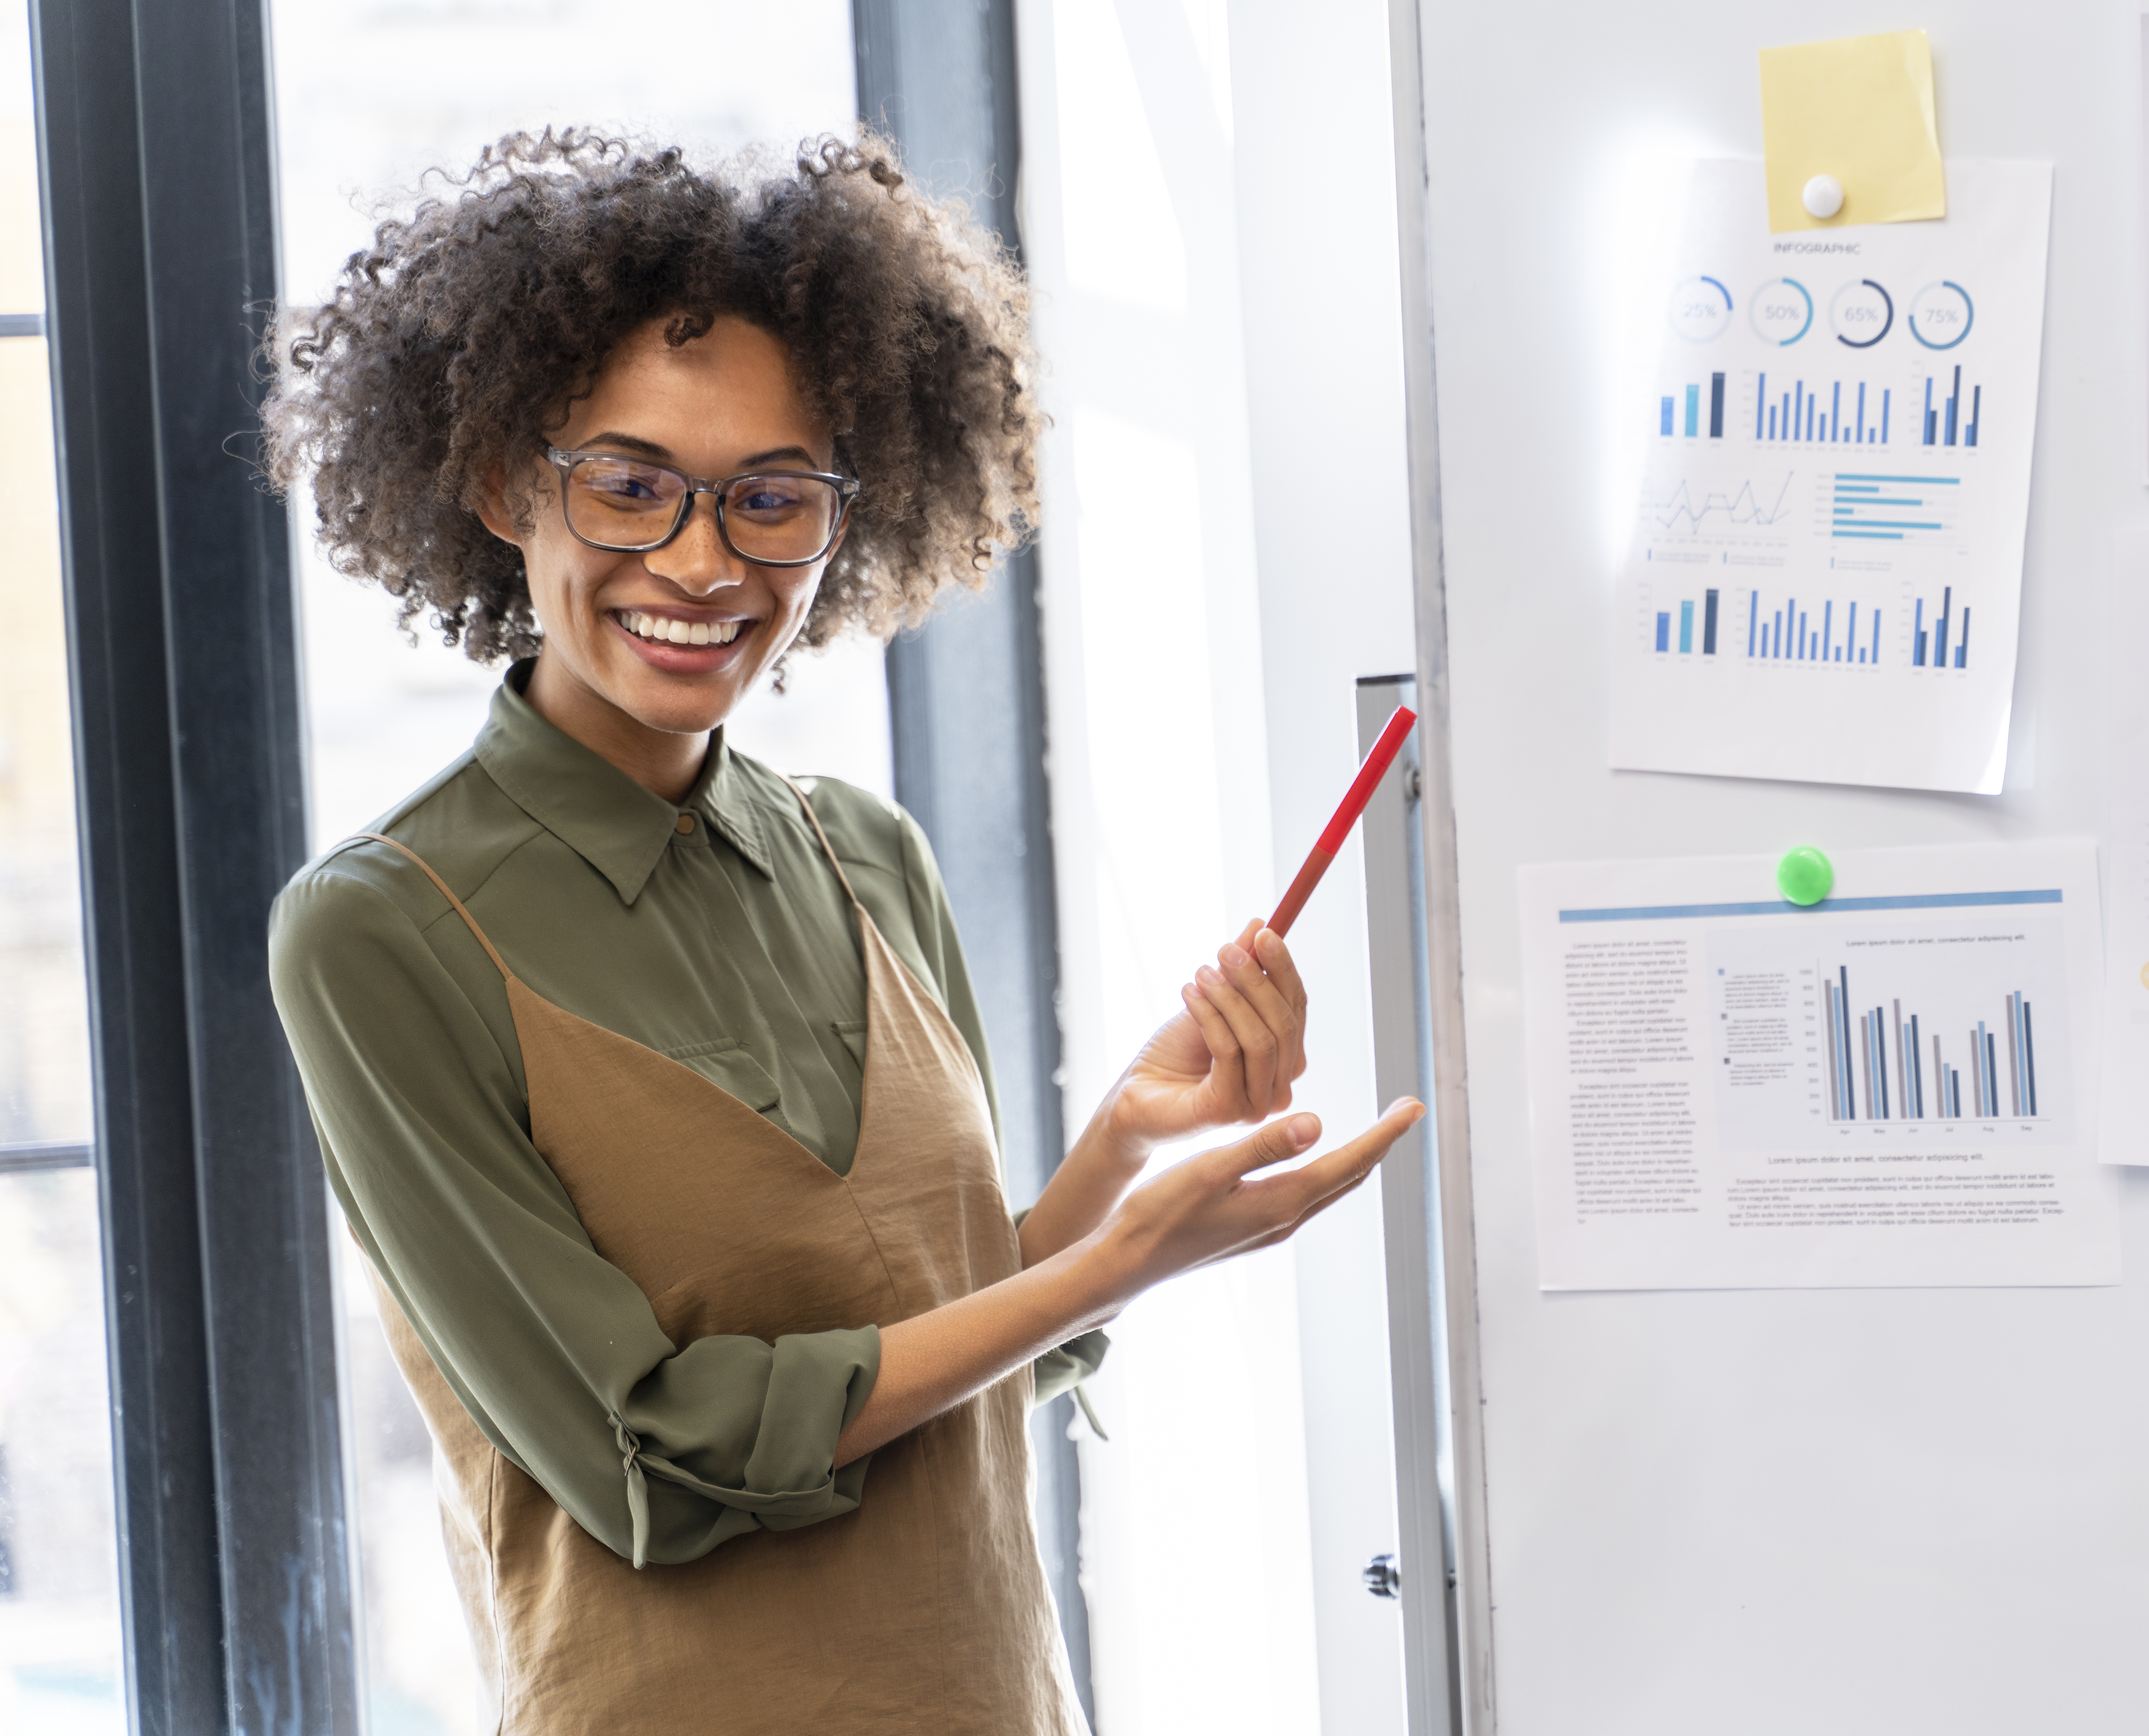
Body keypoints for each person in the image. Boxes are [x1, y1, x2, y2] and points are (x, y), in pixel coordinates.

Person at [263, 130, 1423, 1735]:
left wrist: (1114, 1173)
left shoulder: (863, 855)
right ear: (499, 482)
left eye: (771, 498)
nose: (700, 560)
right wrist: (1117, 1260)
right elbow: (646, 1460)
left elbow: (945, 1352)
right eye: (628, 484)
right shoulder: (379, 934)